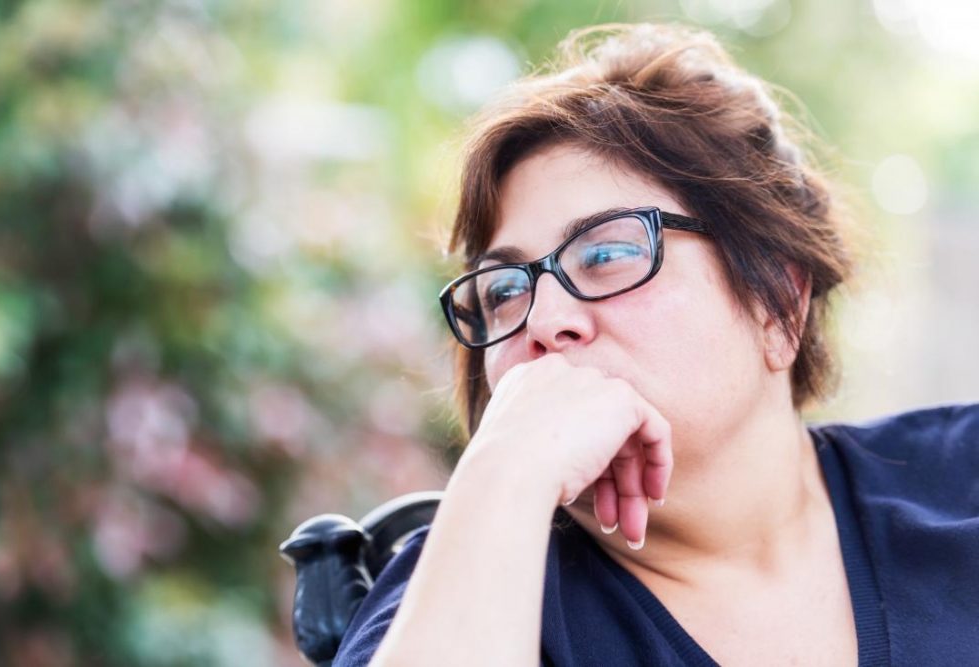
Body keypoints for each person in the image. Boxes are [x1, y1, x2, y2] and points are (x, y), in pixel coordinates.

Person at [331, 22, 979, 666]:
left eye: (606, 254)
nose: (542, 320)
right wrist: (503, 472)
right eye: (504, 290)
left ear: (779, 304)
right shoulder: (449, 600)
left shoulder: (960, 483)